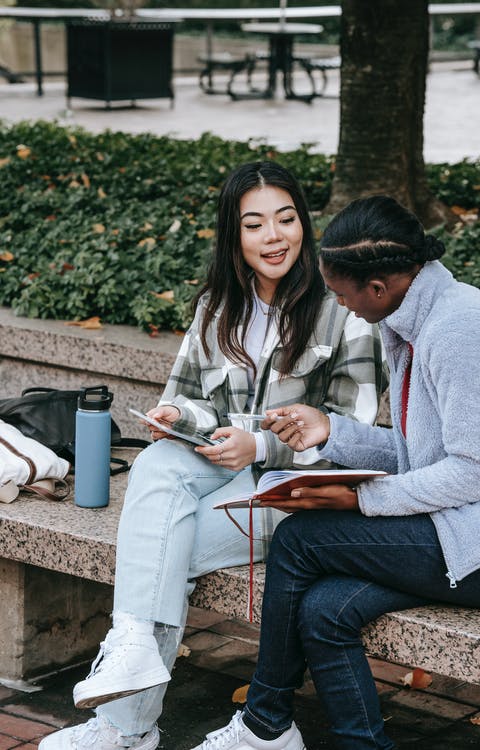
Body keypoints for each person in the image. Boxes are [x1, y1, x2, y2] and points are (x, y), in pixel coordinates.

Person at [39, 164, 386, 750]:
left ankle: (127, 727)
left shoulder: (341, 309)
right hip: (217, 465)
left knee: (166, 548)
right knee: (154, 465)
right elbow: (187, 400)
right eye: (254, 224)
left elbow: (356, 431)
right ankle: (131, 648)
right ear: (234, 235)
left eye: (286, 219)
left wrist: (265, 445)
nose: (273, 237)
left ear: (305, 223)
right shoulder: (218, 307)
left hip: (295, 489)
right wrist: (180, 419)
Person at [193, 195, 480, 750]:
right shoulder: (414, 317)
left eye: (341, 294)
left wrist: (359, 501)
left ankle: (265, 725)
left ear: (377, 288)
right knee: (323, 610)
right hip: (456, 530)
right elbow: (421, 455)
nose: (344, 306)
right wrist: (331, 431)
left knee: (300, 541)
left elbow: (479, 471)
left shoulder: (461, 328)